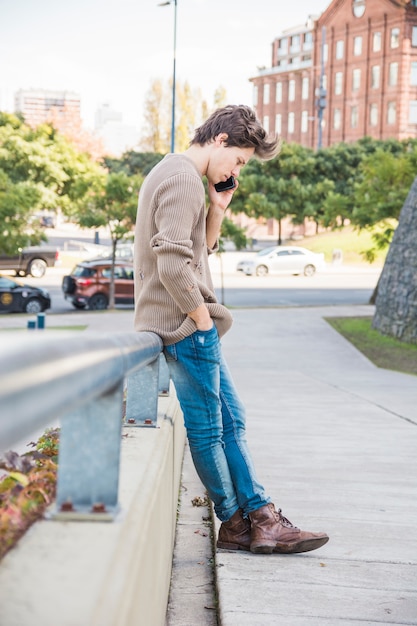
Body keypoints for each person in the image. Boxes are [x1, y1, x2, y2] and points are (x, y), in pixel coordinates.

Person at [133, 105, 329, 554]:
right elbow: (172, 264)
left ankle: (254, 519)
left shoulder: (173, 171)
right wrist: (200, 320)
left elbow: (197, 252)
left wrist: (217, 207)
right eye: (239, 159)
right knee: (215, 428)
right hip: (185, 325)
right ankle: (249, 520)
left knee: (228, 422)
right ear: (221, 140)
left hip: (178, 323)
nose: (238, 169)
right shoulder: (183, 178)